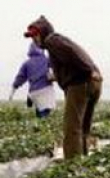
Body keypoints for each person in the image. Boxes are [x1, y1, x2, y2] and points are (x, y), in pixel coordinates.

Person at [23, 16, 102, 158]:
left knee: (71, 128)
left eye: (35, 35)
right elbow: (70, 60)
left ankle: (72, 166)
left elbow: (72, 53)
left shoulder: (51, 41)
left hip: (80, 84)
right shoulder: (57, 42)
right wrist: (56, 77)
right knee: (83, 127)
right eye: (31, 37)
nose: (34, 39)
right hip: (92, 83)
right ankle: (83, 160)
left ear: (43, 32)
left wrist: (89, 71)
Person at [9, 42, 55, 118]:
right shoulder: (46, 60)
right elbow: (57, 66)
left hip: (34, 91)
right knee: (44, 112)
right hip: (46, 90)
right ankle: (40, 118)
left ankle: (30, 98)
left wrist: (13, 90)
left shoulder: (26, 63)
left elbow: (20, 77)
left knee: (40, 108)